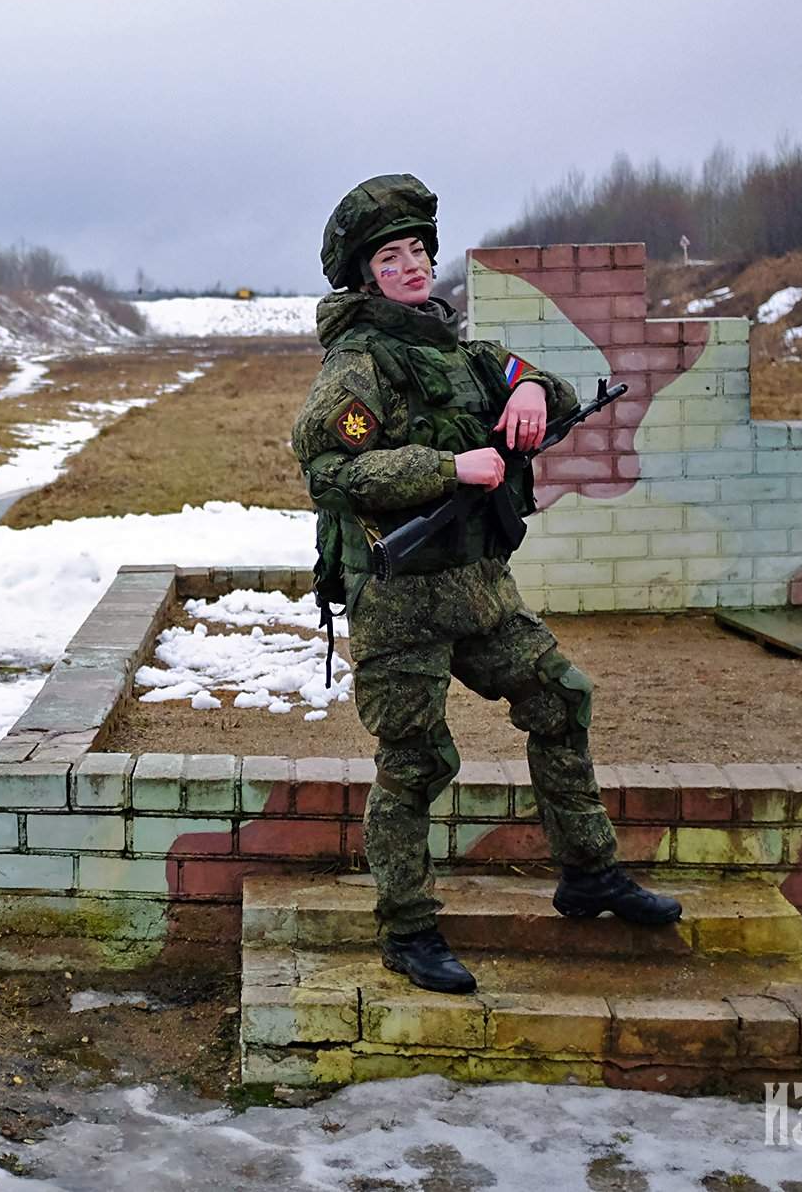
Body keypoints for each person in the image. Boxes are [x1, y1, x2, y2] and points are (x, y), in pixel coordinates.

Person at [289, 172, 681, 994]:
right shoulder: (359, 365)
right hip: (399, 602)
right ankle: (407, 926)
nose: (412, 266)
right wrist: (446, 465)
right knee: (417, 758)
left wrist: (534, 390)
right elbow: (327, 466)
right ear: (366, 274)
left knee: (560, 699)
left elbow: (545, 380)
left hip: (479, 587)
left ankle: (588, 872)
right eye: (392, 256)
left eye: (419, 251)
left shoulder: (461, 353)